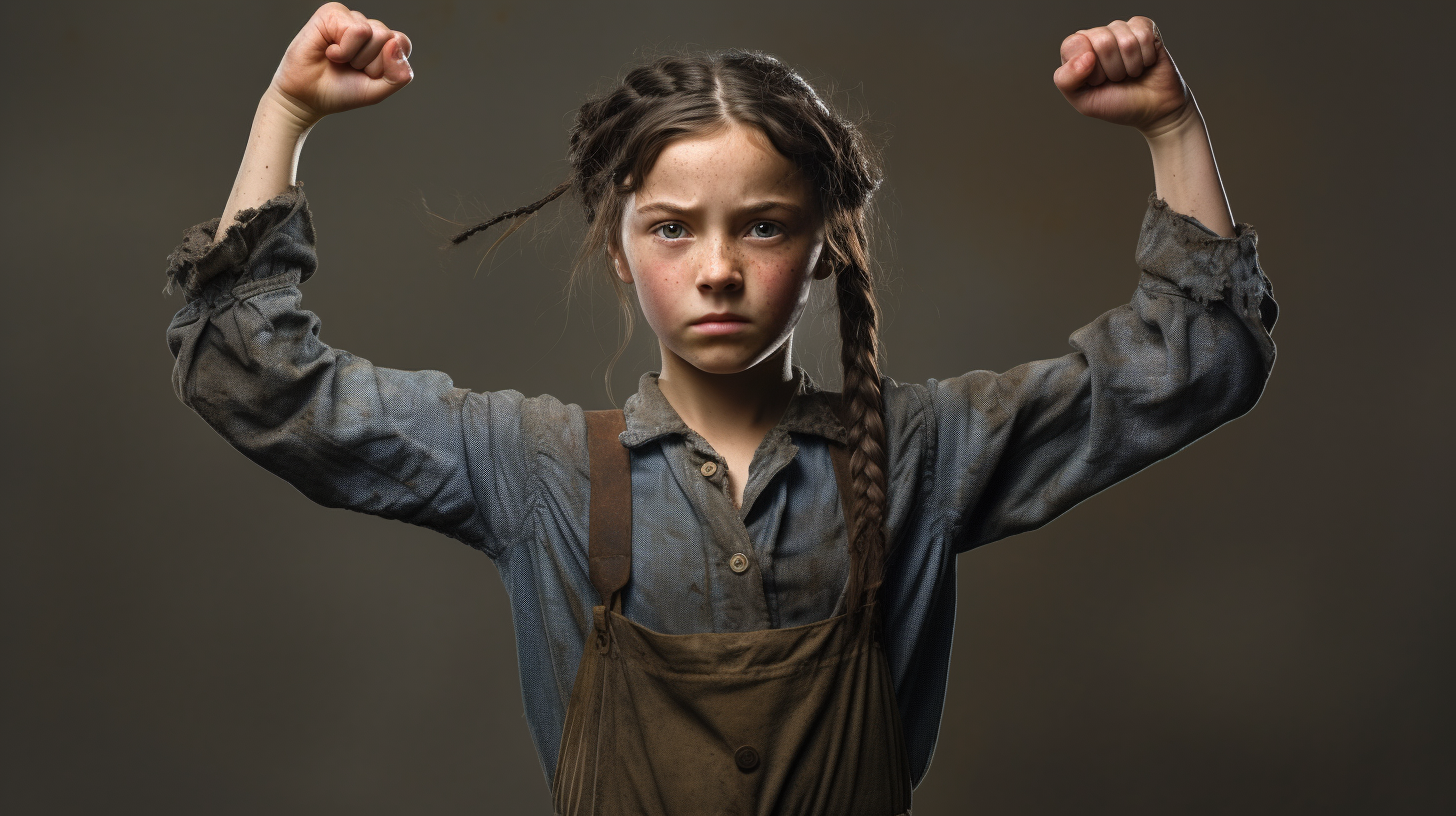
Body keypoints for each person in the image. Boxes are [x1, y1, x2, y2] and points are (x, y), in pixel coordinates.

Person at [162, 4, 1277, 813]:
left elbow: (1200, 357)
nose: (716, 271)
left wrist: (1173, 131)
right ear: (617, 249)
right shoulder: (533, 468)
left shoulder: (923, 455)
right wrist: (285, 112)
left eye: (762, 224)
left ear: (824, 247)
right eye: (671, 228)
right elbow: (251, 375)